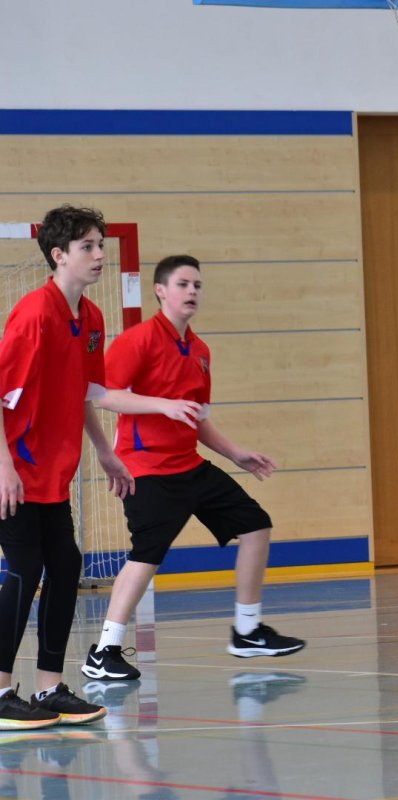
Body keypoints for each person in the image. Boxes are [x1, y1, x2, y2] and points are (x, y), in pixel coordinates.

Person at [0, 206, 198, 729]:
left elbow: (89, 391)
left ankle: (48, 688)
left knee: (65, 566)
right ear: (58, 255)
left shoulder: (90, 318)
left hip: (52, 474)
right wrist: (4, 467)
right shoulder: (34, 314)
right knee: (23, 571)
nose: (99, 255)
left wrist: (106, 451)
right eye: (87, 246)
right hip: (13, 471)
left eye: (100, 246)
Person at [81, 255, 305, 684]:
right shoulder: (138, 340)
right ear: (160, 290)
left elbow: (197, 417)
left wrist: (235, 453)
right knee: (148, 554)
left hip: (190, 466)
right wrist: (161, 405)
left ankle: (247, 631)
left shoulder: (200, 351)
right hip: (146, 467)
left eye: (197, 285)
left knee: (255, 525)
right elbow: (104, 395)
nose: (192, 292)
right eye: (183, 284)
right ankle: (104, 651)